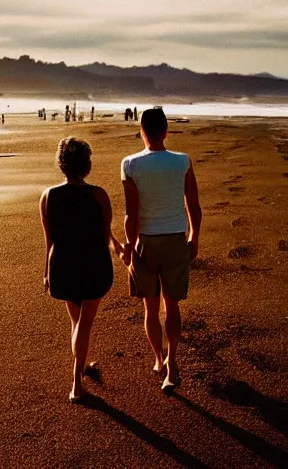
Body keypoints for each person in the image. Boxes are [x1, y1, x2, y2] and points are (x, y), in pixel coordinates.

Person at [120, 108, 202, 394]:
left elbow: (132, 214)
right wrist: (194, 238)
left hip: (146, 242)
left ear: (141, 131)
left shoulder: (130, 164)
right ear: (166, 131)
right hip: (176, 239)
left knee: (151, 307)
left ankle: (158, 360)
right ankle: (173, 360)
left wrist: (129, 248)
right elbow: (194, 206)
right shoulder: (182, 162)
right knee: (173, 305)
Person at [40, 137, 123, 402]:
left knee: (77, 322)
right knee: (84, 324)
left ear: (62, 164)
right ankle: (76, 383)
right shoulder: (98, 194)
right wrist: (121, 250)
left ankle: (83, 364)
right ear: (86, 164)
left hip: (62, 264)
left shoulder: (48, 196)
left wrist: (46, 272)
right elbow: (105, 234)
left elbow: (49, 240)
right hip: (92, 263)